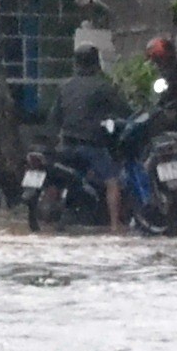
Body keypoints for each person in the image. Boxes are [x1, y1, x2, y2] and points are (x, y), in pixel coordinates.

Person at [46, 45, 124, 227]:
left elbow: (53, 118)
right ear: (97, 64)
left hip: (66, 147)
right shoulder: (104, 87)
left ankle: (46, 224)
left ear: (75, 64)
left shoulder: (64, 87)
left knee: (56, 182)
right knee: (112, 181)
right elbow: (124, 110)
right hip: (92, 147)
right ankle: (115, 226)